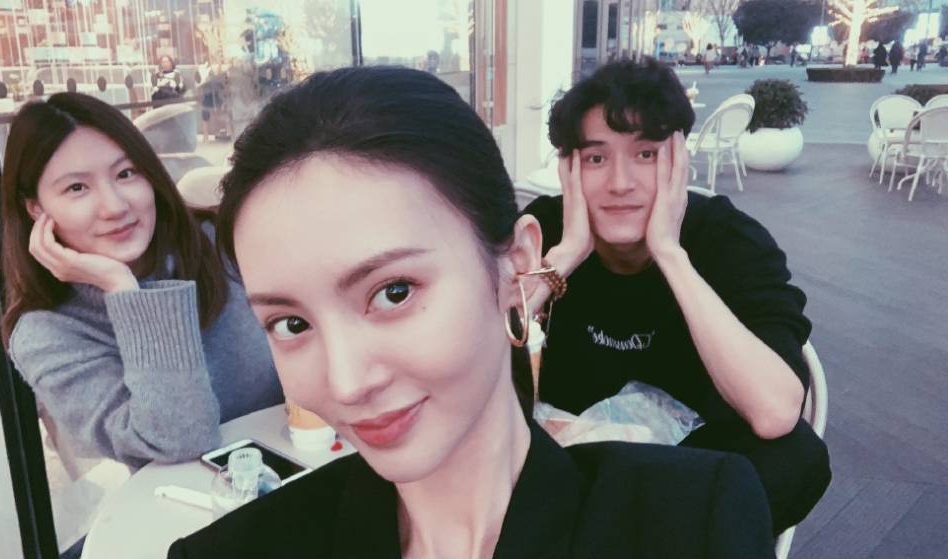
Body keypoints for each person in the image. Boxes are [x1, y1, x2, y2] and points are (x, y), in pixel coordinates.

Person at [166, 66, 775, 558]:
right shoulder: (231, 552)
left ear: (514, 262)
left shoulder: (691, 523)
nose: (347, 383)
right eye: (291, 324)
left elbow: (776, 413)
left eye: (394, 292)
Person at [521, 58, 831, 537]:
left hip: (686, 479)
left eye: (645, 154)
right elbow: (459, 363)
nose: (620, 183)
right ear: (569, 169)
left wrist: (670, 254)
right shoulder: (543, 233)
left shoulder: (728, 241)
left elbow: (774, 412)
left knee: (795, 458)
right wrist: (561, 259)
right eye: (596, 158)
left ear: (679, 159)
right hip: (565, 471)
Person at [0, 92, 283, 469]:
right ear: (36, 208)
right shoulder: (47, 334)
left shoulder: (219, 241)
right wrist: (123, 291)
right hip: (187, 501)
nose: (114, 206)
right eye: (77, 188)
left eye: (125, 173)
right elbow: (181, 438)